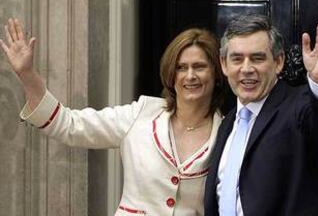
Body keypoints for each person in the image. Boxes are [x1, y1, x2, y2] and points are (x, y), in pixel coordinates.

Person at [0, 18, 225, 216]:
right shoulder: (140, 116)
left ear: (216, 73)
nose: (190, 75)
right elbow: (68, 125)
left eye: (199, 67)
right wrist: (27, 75)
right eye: (181, 67)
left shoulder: (228, 133)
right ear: (171, 74)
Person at [204, 14, 318, 216]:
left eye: (257, 58)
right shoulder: (228, 122)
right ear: (224, 64)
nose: (247, 69)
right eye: (237, 59)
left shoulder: (298, 107)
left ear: (278, 62)